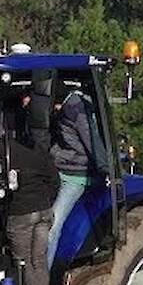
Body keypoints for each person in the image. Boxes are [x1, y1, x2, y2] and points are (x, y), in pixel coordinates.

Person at [0, 90, 61, 285]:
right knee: (39, 260)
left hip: (21, 214)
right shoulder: (39, 150)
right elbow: (55, 181)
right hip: (43, 211)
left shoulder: (1, 150)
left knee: (21, 263)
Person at [47, 84, 109, 263]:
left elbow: (92, 142)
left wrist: (104, 168)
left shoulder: (77, 111)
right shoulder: (65, 109)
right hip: (59, 169)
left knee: (53, 225)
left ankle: (42, 282)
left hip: (75, 175)